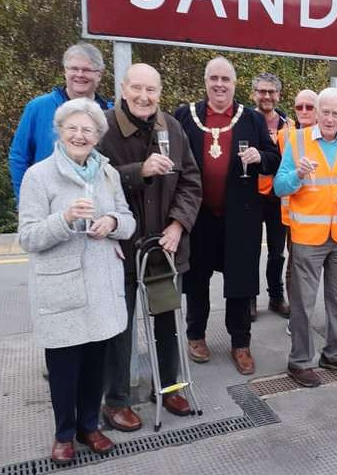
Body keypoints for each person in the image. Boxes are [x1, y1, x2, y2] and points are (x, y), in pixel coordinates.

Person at [18, 98, 135, 464]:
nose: (80, 135)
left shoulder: (108, 173)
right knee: (65, 367)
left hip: (101, 283)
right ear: (60, 131)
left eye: (88, 130)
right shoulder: (39, 176)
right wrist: (65, 218)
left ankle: (89, 425)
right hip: (62, 286)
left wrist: (112, 224)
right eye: (73, 128)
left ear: (98, 136)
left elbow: (127, 219)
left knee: (95, 365)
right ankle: (64, 434)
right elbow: (29, 237)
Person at [98, 63, 202, 431]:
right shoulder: (103, 126)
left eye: (151, 90)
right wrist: (137, 172)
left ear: (160, 92)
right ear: (123, 89)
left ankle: (169, 386)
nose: (144, 97)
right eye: (137, 89)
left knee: (167, 320)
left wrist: (178, 225)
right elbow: (95, 183)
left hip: (164, 248)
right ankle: (116, 401)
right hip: (119, 251)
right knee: (119, 328)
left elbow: (191, 181)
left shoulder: (172, 127)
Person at [175, 56, 280, 375]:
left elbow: (275, 158)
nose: (219, 84)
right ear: (206, 82)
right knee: (196, 281)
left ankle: (241, 344)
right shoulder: (186, 115)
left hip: (241, 217)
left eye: (226, 79)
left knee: (240, 283)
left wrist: (260, 156)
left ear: (235, 85)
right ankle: (196, 337)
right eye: (214, 78)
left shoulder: (251, 119)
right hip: (198, 216)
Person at [274, 87, 337, 387]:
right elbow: (279, 187)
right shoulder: (297, 140)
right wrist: (298, 176)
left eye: (336, 113)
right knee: (303, 303)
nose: (330, 118)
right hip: (308, 236)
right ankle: (300, 361)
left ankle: (336, 353)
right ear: (316, 113)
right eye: (325, 112)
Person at [9, 43, 111, 202]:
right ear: (65, 71)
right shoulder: (38, 107)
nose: (80, 74)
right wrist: (26, 201)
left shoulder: (109, 113)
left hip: (96, 208)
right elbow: (19, 157)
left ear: (99, 75)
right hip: (47, 204)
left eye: (87, 70)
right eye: (74, 68)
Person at [253, 72, 292, 321]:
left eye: (271, 92)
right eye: (262, 91)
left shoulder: (288, 125)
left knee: (277, 252)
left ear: (278, 95)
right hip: (252, 196)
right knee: (249, 251)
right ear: (254, 94)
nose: (267, 96)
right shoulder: (245, 120)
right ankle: (248, 300)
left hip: (278, 197)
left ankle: (276, 297)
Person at [281, 89, 319, 335]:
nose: (304, 111)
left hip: (327, 215)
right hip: (295, 216)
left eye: (309, 106)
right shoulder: (285, 136)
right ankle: (296, 317)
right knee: (295, 268)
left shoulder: (330, 135)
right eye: (299, 107)